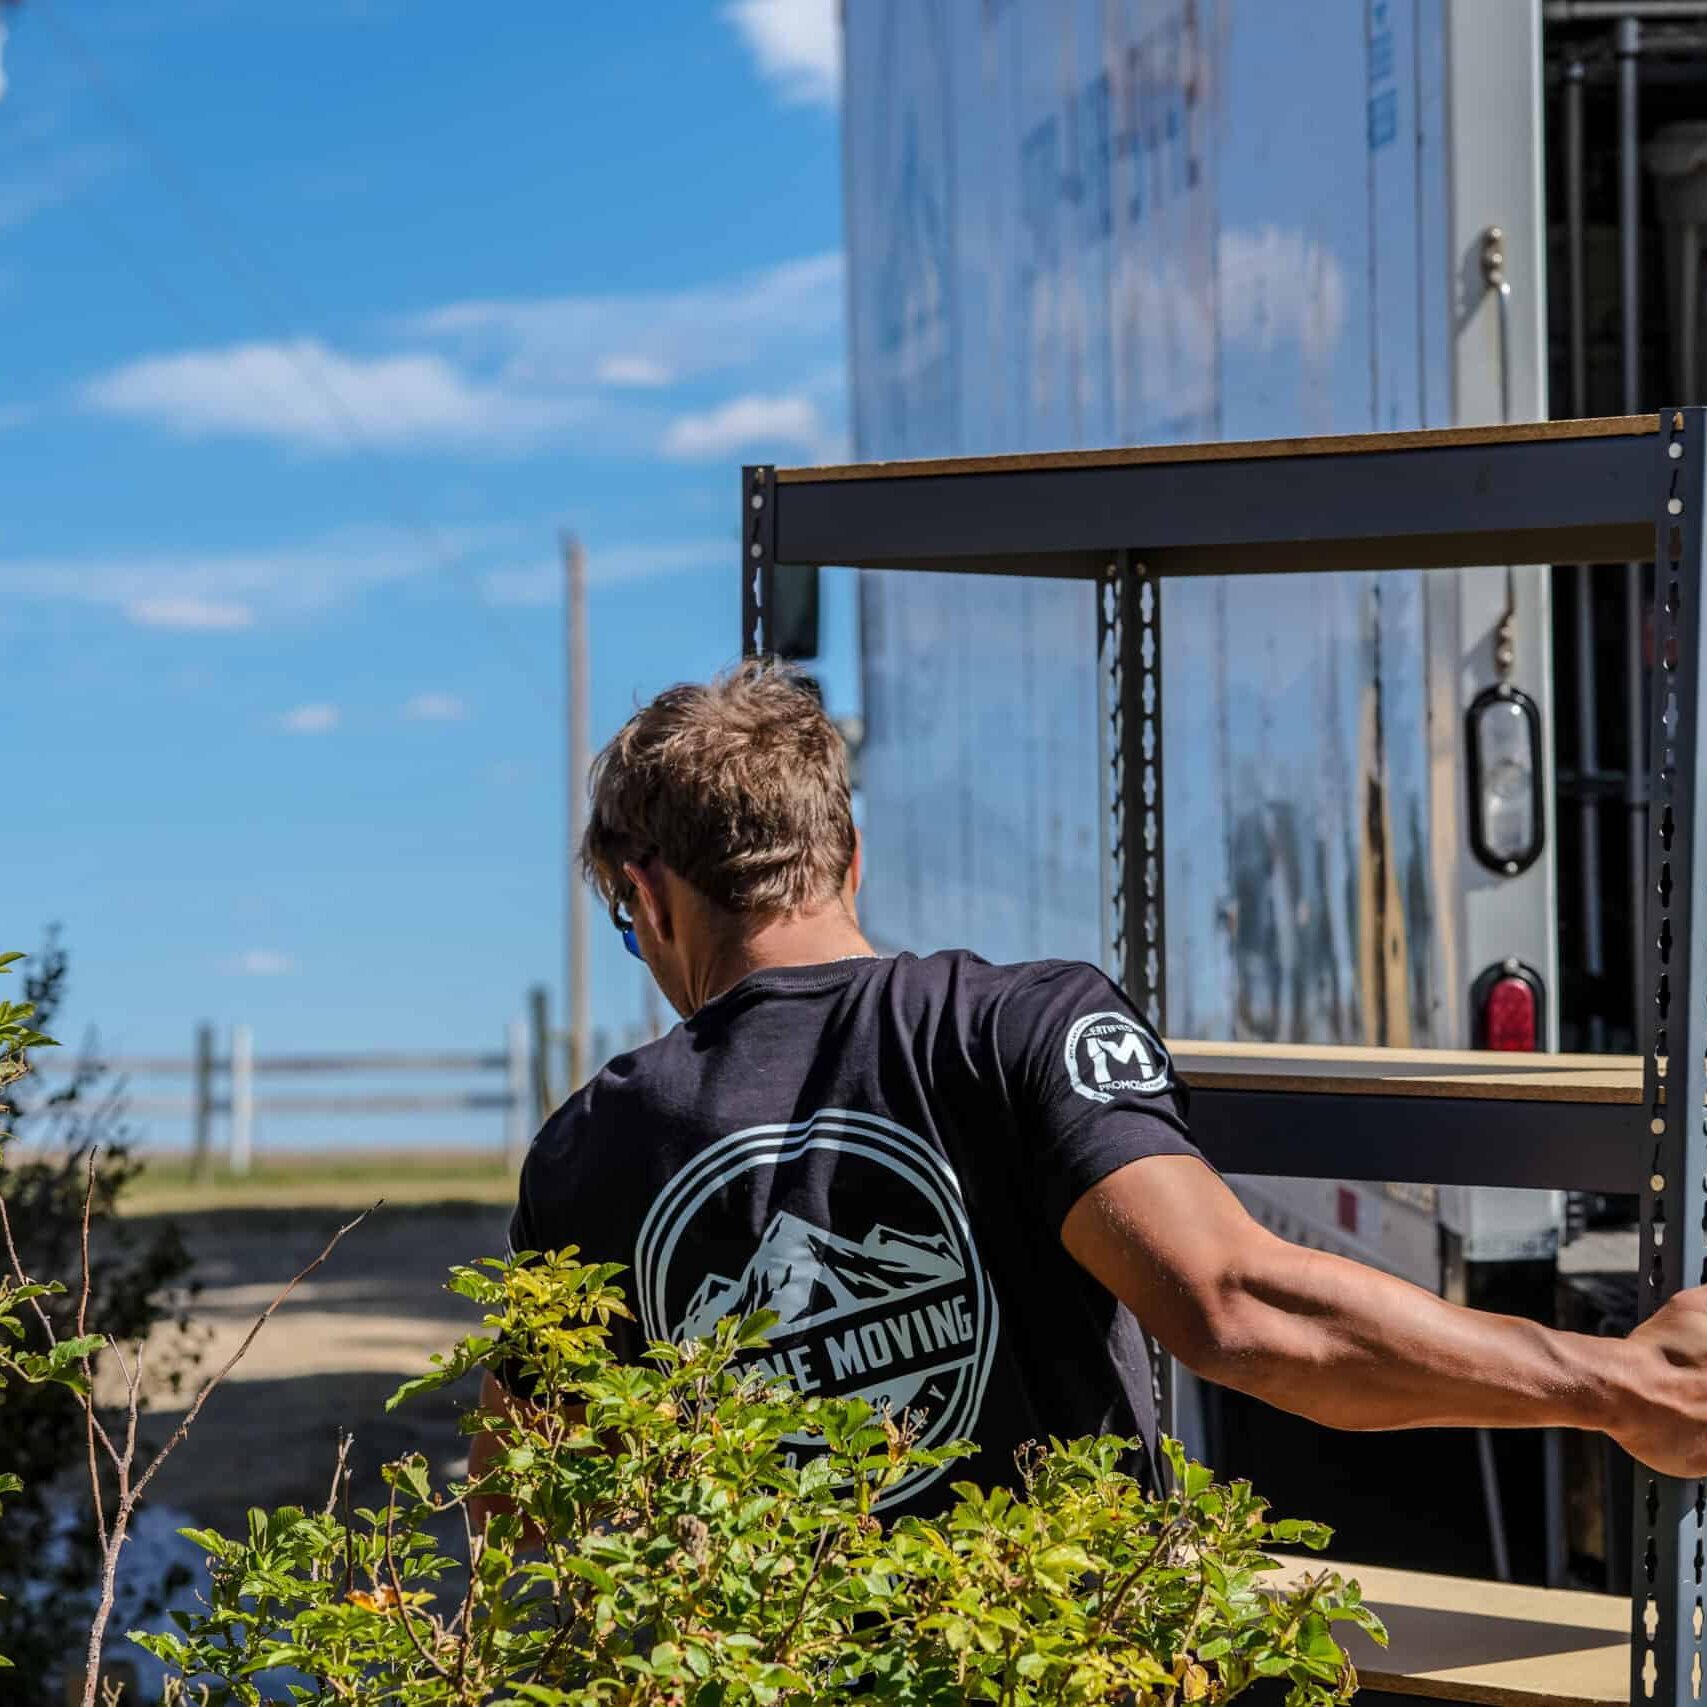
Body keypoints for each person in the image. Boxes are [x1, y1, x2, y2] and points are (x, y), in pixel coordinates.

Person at [477, 659, 1707, 1520]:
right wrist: (1619, 1388)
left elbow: (521, 1503)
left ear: (648, 900)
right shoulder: (1018, 1026)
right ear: (847, 859)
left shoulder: (586, 1152)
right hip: (1057, 1659)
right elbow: (1235, 1305)